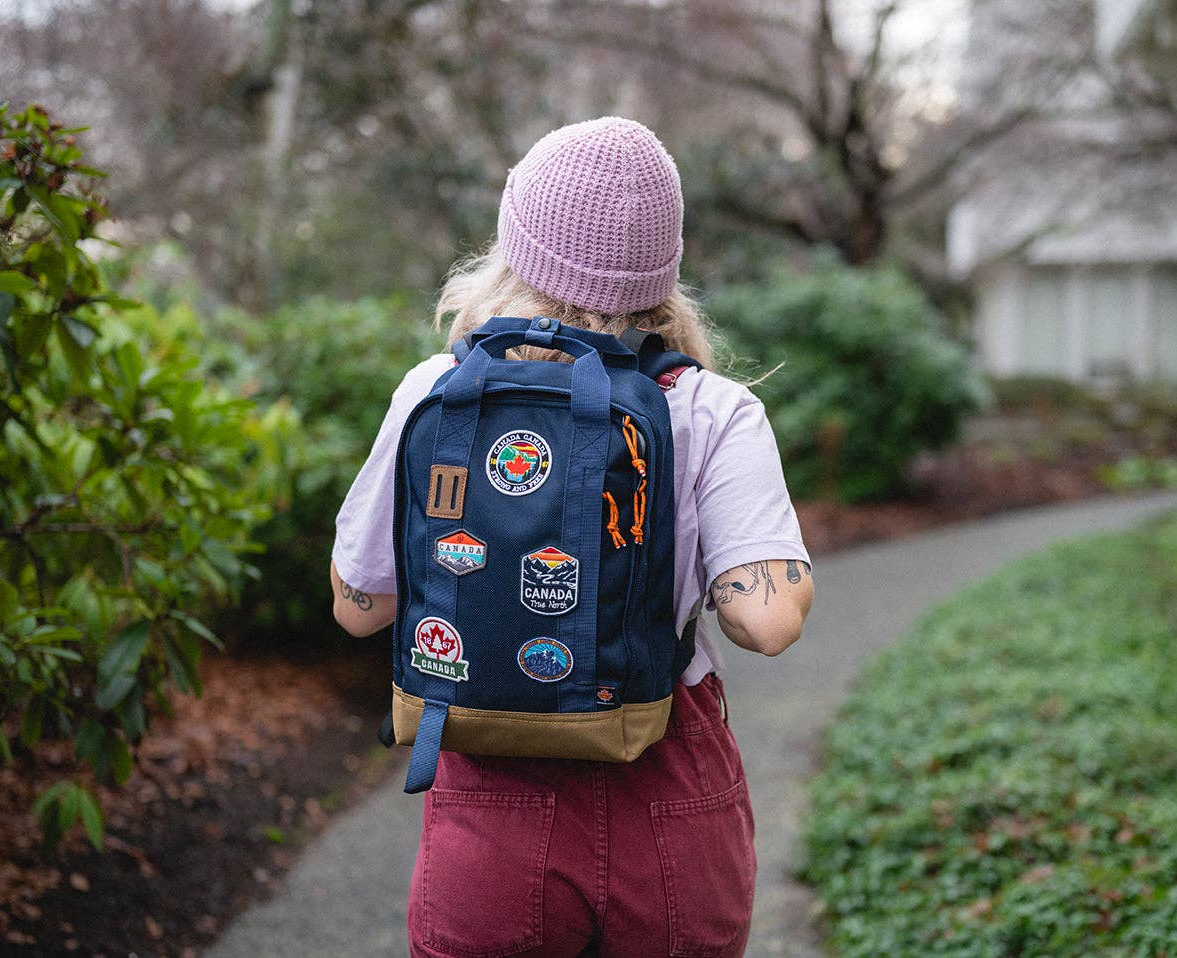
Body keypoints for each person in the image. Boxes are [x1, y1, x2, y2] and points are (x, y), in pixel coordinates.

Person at [327, 116, 813, 958]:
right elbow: (767, 623)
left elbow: (361, 608)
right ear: (665, 267)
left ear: (516, 247)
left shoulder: (439, 391)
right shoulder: (710, 408)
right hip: (665, 771)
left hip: (491, 786)